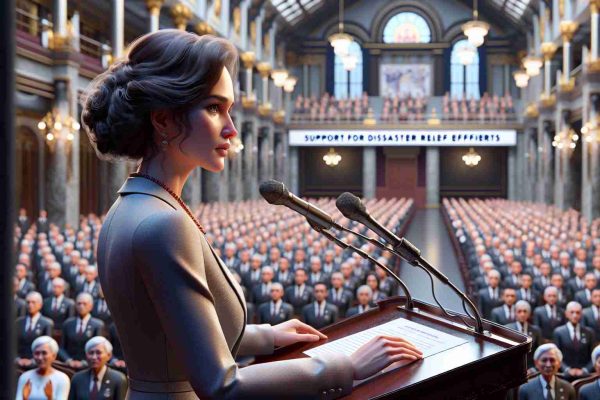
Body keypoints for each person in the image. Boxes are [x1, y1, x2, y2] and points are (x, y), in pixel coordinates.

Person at [82, 29, 422, 399]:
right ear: (163, 120)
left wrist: (266, 336)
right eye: (214, 108)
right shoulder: (163, 223)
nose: (231, 129)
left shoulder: (132, 204)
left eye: (230, 110)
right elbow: (222, 385)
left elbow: (166, 333)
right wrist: (346, 366)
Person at [553, 301, 595, 379]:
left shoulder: (589, 332)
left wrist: (585, 370)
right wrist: (566, 369)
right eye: (572, 312)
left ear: (581, 315)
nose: (575, 315)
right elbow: (555, 355)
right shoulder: (558, 332)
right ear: (566, 314)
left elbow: (593, 356)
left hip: (585, 375)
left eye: (578, 313)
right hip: (564, 375)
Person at [15, 292, 54, 367]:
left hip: (38, 363)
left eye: (33, 302)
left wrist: (33, 361)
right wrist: (17, 359)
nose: (30, 305)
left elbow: (47, 347)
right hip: (19, 362)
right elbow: (13, 344)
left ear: (40, 305)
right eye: (28, 302)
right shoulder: (18, 322)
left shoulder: (47, 323)